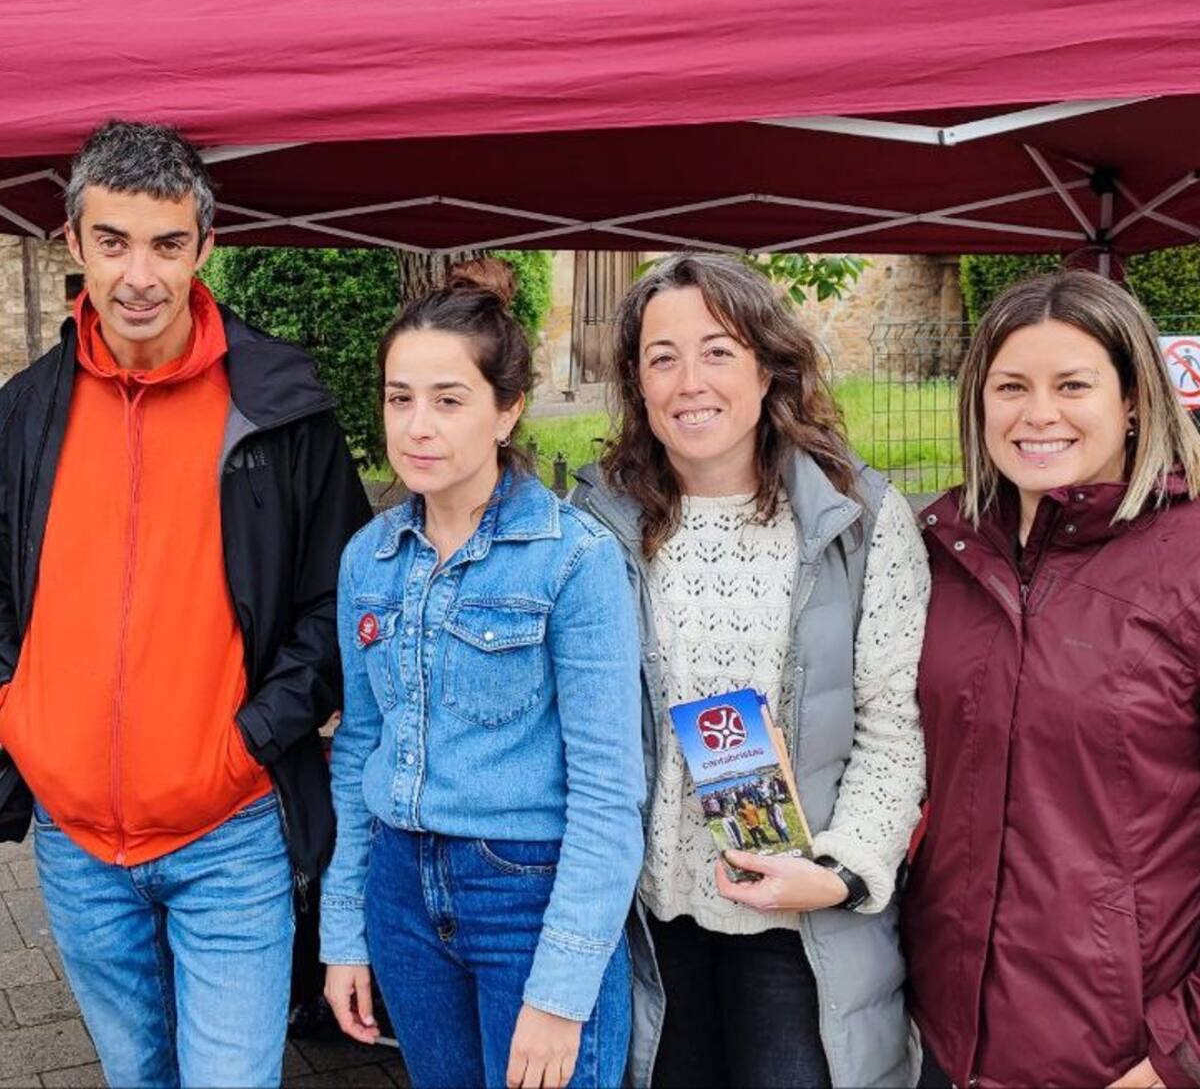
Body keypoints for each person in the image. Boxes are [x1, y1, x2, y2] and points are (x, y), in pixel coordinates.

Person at [0, 119, 370, 1087]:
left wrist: (247, 743)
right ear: (72, 243)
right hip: (77, 844)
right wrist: (19, 721)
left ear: (206, 246)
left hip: (229, 831)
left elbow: (338, 601)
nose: (139, 276)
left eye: (167, 244)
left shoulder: (281, 404)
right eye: (113, 241)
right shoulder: (23, 412)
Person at [573, 252, 928, 1088]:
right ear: (637, 382)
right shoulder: (597, 525)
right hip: (651, 920)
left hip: (798, 928)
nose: (689, 380)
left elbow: (893, 729)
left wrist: (838, 873)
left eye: (718, 351)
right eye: (663, 358)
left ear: (768, 367)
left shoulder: (860, 520)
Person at [320, 276, 644, 1089]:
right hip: (400, 896)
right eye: (399, 399)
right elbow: (361, 745)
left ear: (507, 411)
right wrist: (344, 931)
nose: (417, 427)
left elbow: (609, 790)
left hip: (527, 902)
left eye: (449, 399)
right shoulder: (369, 558)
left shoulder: (574, 559)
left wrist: (564, 986)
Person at [903, 270, 1200, 1089]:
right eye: (1011, 386)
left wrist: (1176, 1056)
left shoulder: (1188, 564)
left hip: (1120, 1057)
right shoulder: (938, 555)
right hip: (942, 1042)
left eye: (1073, 385)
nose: (1038, 414)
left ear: (1135, 399)